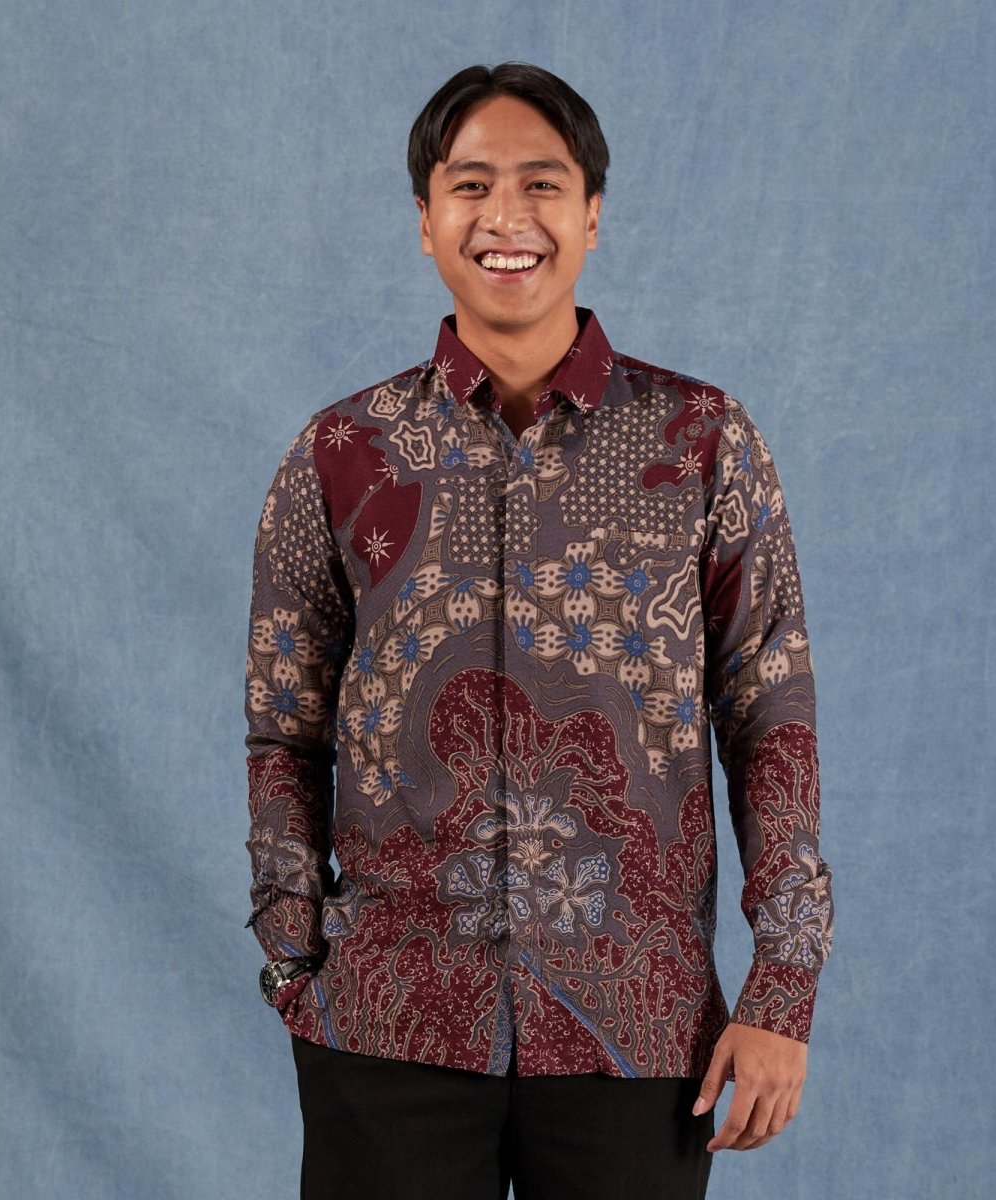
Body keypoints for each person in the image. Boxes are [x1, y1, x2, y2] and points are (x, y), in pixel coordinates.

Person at [244, 62, 834, 1200]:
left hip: (638, 1027)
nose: (504, 217)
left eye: (542, 184)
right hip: (388, 1023)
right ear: (425, 220)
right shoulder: (342, 455)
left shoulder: (702, 442)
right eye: (470, 185)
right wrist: (292, 959)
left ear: (592, 214)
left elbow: (773, 720)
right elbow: (283, 728)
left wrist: (784, 987)